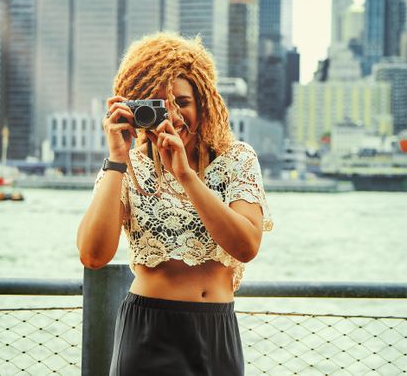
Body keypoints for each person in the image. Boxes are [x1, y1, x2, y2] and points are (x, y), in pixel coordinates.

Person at [76, 32, 273, 376]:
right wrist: (117, 158)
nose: (173, 116)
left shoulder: (237, 159)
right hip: (148, 333)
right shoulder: (128, 166)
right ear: (137, 110)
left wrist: (185, 175)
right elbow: (93, 255)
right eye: (157, 104)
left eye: (181, 102)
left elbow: (246, 245)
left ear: (203, 102)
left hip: (217, 333)